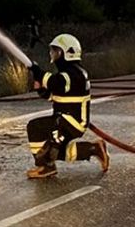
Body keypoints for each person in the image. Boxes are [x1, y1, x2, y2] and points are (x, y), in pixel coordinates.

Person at [25, 34, 110, 179]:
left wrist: (37, 71)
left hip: (70, 122)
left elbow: (54, 82)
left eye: (57, 51)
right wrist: (41, 90)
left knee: (35, 128)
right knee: (58, 151)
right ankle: (94, 149)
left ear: (68, 53)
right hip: (66, 121)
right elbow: (55, 96)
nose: (54, 55)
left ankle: (46, 165)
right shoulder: (69, 73)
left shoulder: (74, 73)